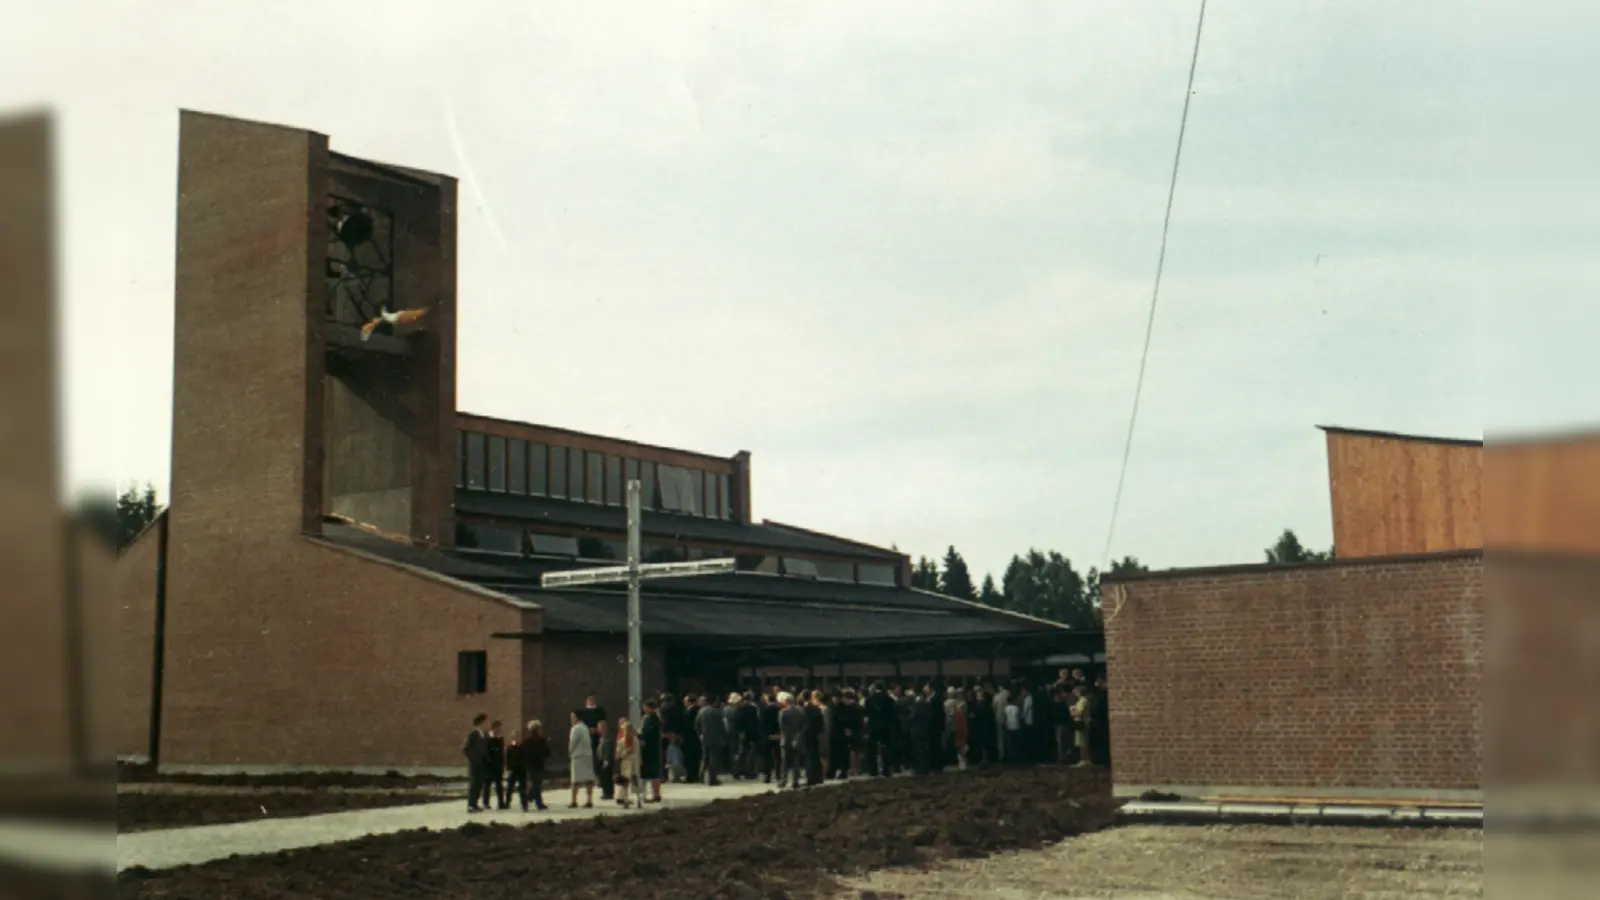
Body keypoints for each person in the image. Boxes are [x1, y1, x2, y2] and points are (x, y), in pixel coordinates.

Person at [695, 694, 728, 786]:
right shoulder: (718, 712)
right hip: (716, 738)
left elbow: (696, 725)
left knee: (705, 757)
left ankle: (701, 775)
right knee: (714, 759)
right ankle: (712, 779)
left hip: (705, 737)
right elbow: (722, 726)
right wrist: (724, 737)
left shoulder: (701, 712)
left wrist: (700, 734)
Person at [777, 691, 807, 789]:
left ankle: (783, 780)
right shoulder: (801, 711)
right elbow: (804, 726)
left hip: (786, 740)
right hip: (797, 740)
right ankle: (795, 781)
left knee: (784, 762)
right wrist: (797, 737)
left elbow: (782, 727)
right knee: (796, 761)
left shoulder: (783, 712)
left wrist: (789, 737)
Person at [519, 720, 551, 811]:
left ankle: (532, 799)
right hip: (538, 764)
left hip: (530, 765)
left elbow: (522, 753)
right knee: (537, 784)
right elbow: (547, 753)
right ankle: (532, 800)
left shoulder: (526, 741)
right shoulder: (541, 740)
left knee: (535, 783)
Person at [462, 713, 490, 812]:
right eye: (487, 722)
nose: (488, 724)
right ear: (481, 722)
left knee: (479, 783)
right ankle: (471, 805)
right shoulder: (473, 734)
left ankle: (475, 804)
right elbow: (465, 748)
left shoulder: (485, 735)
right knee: (474, 784)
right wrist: (473, 759)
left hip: (482, 764)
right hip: (475, 764)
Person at [567, 712, 596, 809]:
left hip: (578, 756)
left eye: (572, 717)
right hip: (587, 755)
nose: (571, 720)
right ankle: (589, 800)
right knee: (588, 778)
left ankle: (574, 801)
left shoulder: (575, 729)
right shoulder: (585, 727)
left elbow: (573, 742)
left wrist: (570, 752)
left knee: (575, 780)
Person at [640, 701, 664, 803]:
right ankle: (656, 794)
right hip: (653, 748)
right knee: (653, 773)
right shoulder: (652, 718)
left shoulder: (651, 719)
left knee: (652, 773)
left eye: (645, 707)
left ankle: (656, 794)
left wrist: (642, 740)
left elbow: (649, 733)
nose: (644, 709)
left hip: (650, 749)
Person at [614, 717, 640, 806]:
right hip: (625, 765)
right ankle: (625, 799)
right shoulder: (621, 742)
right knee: (625, 783)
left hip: (633, 764)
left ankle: (638, 799)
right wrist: (626, 752)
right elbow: (618, 755)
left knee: (635, 782)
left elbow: (637, 753)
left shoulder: (635, 741)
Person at [485, 720, 507, 809]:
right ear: (494, 727)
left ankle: (501, 803)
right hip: (489, 765)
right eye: (498, 727)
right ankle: (486, 803)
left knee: (499, 784)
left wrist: (503, 764)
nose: (500, 730)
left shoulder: (500, 739)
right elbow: (486, 751)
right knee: (487, 784)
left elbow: (501, 752)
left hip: (498, 765)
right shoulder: (487, 738)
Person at [595, 720, 616, 800]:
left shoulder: (607, 736)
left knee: (607, 776)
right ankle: (605, 791)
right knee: (603, 776)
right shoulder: (601, 737)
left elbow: (608, 748)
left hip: (606, 760)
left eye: (599, 727)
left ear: (604, 727)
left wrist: (607, 759)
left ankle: (608, 793)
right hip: (601, 760)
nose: (598, 729)